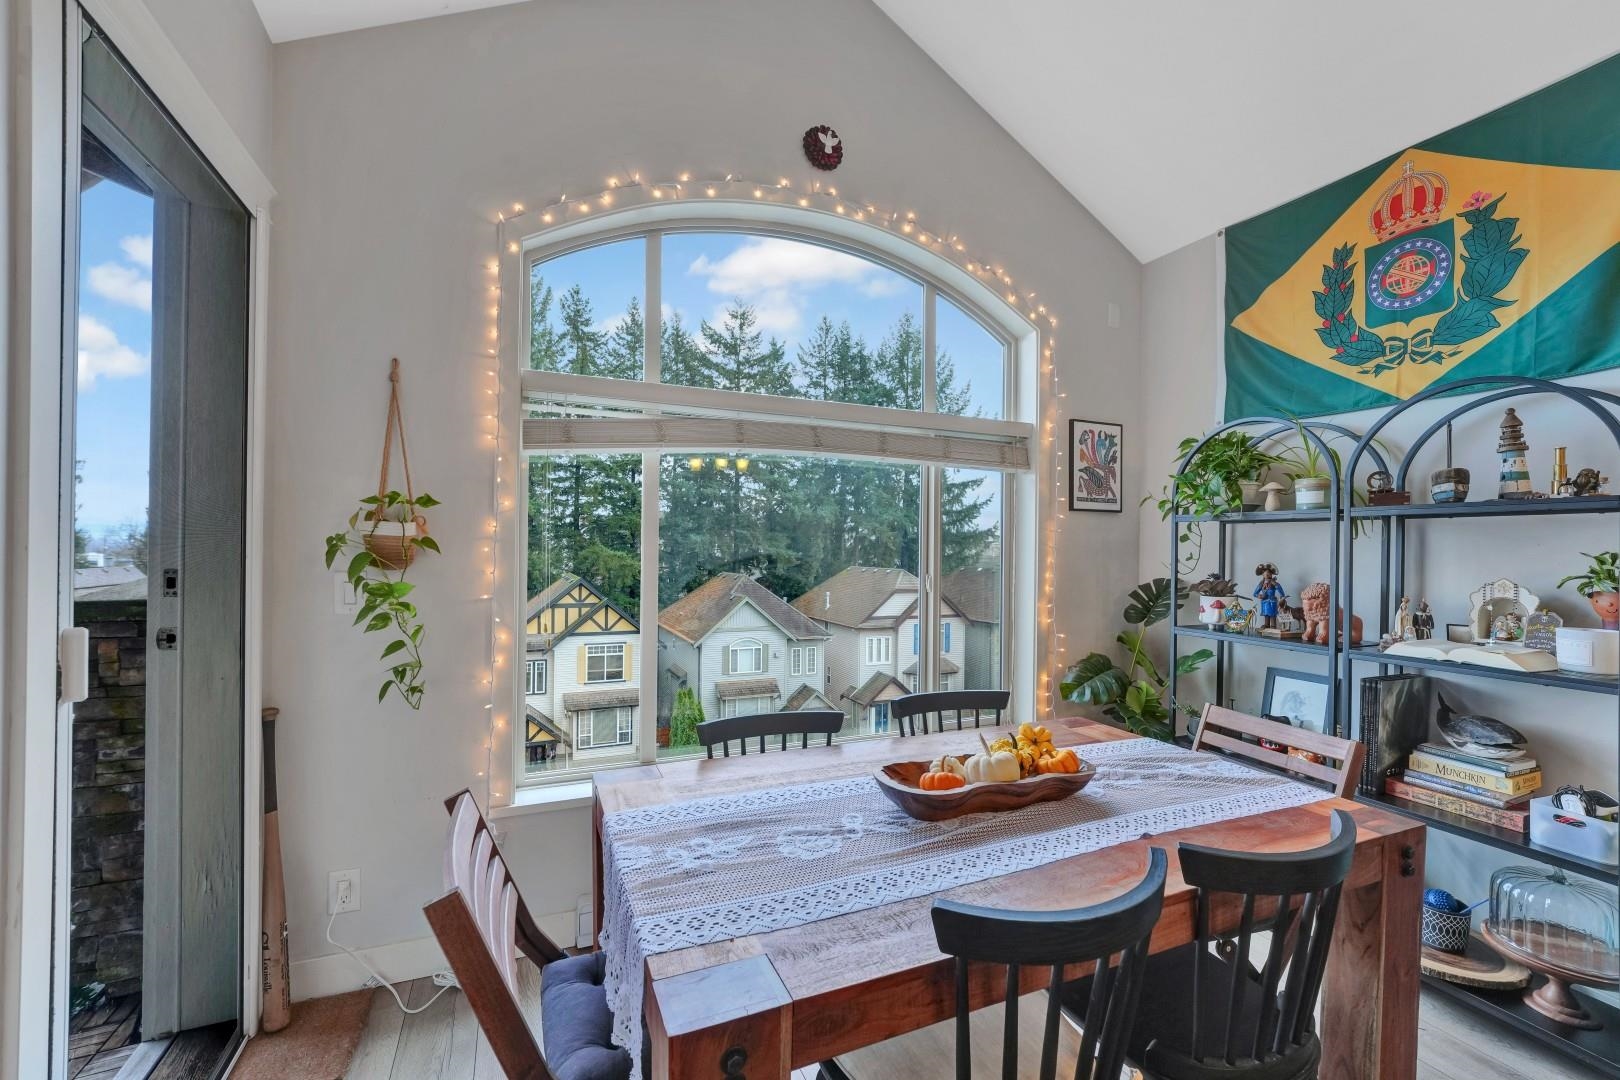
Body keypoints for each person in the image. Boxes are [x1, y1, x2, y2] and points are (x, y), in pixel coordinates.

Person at [1253, 562, 1288, 630]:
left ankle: (1273, 626)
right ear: (1262, 574)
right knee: (1266, 614)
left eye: (1268, 573)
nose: (1266, 574)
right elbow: (1255, 593)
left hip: (1272, 601)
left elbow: (1281, 591)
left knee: (1272, 614)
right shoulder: (1261, 584)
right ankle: (1266, 625)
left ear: (1271, 574)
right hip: (1264, 602)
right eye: (1265, 573)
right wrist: (1259, 596)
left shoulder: (1274, 583)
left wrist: (1276, 585)